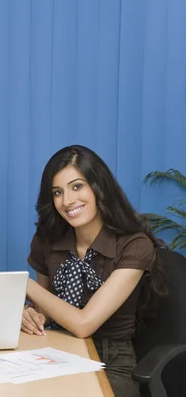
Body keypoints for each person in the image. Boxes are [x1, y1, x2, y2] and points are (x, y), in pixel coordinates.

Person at [22, 145, 165, 396]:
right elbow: (45, 308)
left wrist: (24, 285)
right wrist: (28, 314)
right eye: (57, 192)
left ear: (99, 187)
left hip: (111, 361)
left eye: (77, 186)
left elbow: (83, 324)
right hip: (54, 349)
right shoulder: (46, 240)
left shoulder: (135, 245)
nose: (67, 201)